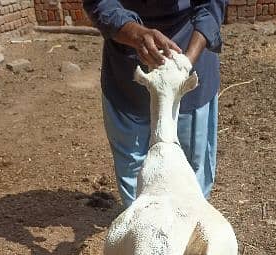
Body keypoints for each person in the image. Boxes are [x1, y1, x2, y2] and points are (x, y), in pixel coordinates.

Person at [83, 1, 226, 207]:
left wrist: (184, 65)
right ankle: (139, 229)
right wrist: (134, 34)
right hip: (128, 64)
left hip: (190, 53)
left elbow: (211, 4)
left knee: (192, 172)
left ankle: (187, 232)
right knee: (134, 178)